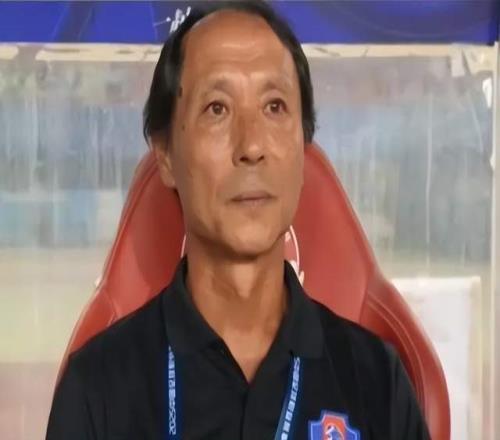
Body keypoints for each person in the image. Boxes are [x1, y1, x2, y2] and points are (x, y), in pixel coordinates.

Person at [46, 1, 431, 439]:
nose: (251, 146)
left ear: (303, 148)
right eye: (217, 108)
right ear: (166, 154)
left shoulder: (377, 383)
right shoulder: (98, 389)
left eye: (274, 106)